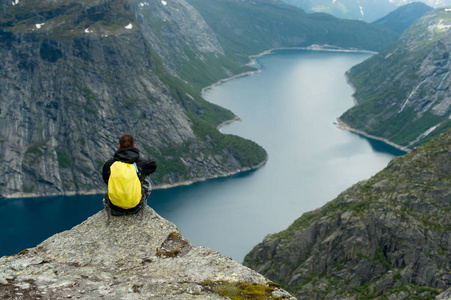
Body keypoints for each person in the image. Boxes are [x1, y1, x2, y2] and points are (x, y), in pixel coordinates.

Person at [102, 134, 157, 216]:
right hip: (136, 207)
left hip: (114, 208)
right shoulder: (143, 162)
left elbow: (106, 180)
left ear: (119, 146)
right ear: (134, 146)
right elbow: (153, 166)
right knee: (144, 175)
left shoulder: (109, 164)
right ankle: (139, 200)